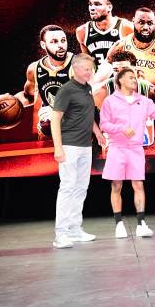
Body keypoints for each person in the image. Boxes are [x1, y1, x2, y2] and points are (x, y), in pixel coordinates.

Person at [99, 67, 155, 238]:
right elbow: (104, 125)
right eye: (130, 78)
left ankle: (141, 223)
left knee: (138, 185)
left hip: (136, 149)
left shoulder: (143, 101)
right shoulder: (110, 101)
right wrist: (121, 129)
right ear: (120, 80)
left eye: (135, 78)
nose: (134, 80)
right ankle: (119, 224)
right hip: (117, 148)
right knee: (116, 185)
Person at [50, 53, 106, 249]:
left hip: (85, 146)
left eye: (91, 69)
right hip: (69, 146)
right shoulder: (66, 90)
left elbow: (87, 115)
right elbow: (55, 119)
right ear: (75, 69)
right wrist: (58, 148)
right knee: (67, 187)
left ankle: (74, 229)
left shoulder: (87, 89)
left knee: (81, 188)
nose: (89, 72)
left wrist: (97, 132)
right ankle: (61, 234)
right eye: (86, 69)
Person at [0, 25, 74, 137]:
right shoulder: (34, 68)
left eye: (63, 40)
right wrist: (2, 102)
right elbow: (28, 96)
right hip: (47, 129)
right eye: (54, 41)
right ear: (43, 45)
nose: (60, 45)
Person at [106, 7, 155, 90]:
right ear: (133, 21)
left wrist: (146, 87)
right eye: (141, 22)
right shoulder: (120, 46)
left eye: (150, 23)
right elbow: (107, 72)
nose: (146, 27)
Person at [75, 0, 133, 69]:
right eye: (90, 4)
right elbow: (88, 64)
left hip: (122, 77)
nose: (92, 8)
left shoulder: (126, 27)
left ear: (109, 7)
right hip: (99, 78)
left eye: (97, 4)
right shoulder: (82, 31)